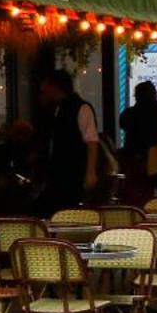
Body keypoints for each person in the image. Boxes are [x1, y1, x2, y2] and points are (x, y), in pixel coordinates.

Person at [36, 70, 102, 213]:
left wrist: (90, 172)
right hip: (58, 173)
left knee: (66, 210)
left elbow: (92, 141)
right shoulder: (56, 109)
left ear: (56, 87)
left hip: (73, 173)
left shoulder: (81, 108)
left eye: (47, 88)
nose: (44, 92)